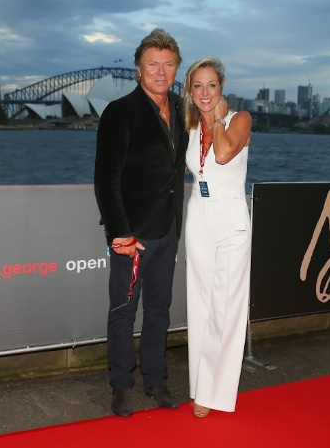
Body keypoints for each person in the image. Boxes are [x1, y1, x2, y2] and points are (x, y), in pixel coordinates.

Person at [94, 28, 188, 417]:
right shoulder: (120, 111)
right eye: (154, 64)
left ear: (176, 67)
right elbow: (106, 178)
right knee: (123, 311)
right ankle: (120, 384)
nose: (161, 71)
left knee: (160, 309)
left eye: (168, 64)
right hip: (132, 235)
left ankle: (156, 378)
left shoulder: (183, 108)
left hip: (167, 230)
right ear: (138, 69)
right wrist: (121, 234)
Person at [182, 57, 252, 418]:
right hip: (199, 215)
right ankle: (199, 384)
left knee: (225, 307)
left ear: (221, 87)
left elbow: (223, 154)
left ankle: (214, 392)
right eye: (198, 86)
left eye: (211, 85)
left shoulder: (239, 119)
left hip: (231, 219)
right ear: (190, 91)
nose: (205, 92)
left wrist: (218, 120)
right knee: (201, 303)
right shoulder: (190, 127)